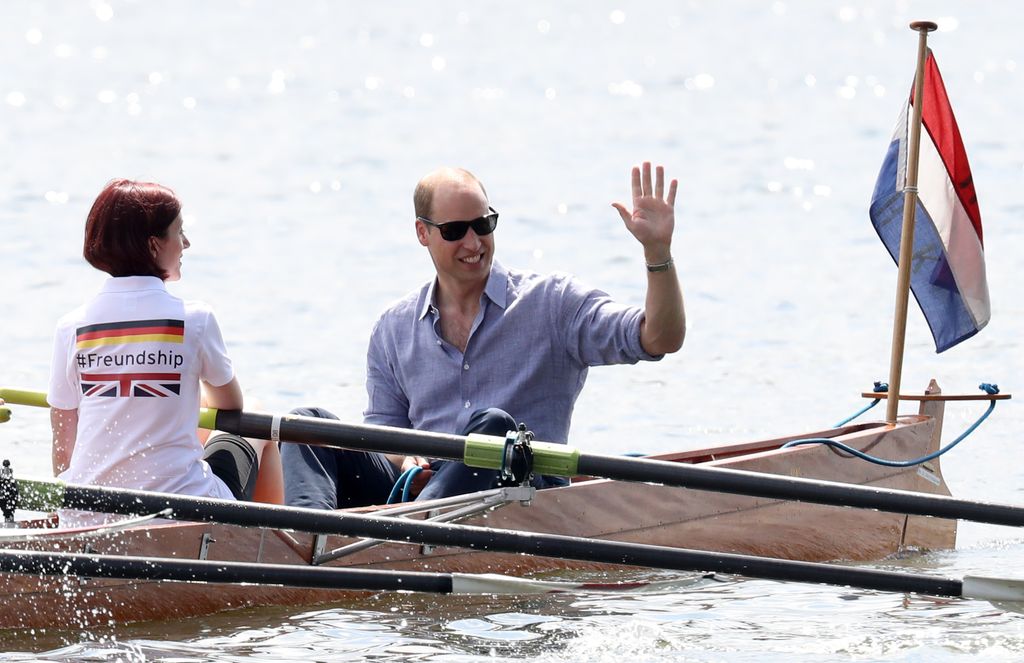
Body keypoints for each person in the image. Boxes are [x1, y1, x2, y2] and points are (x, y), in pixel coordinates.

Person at [282, 161, 685, 509]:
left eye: (483, 224)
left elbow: (659, 338)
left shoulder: (553, 302)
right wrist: (408, 465)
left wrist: (657, 254)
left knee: (493, 427)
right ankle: (306, 547)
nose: (474, 242)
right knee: (304, 424)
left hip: (524, 492)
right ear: (423, 233)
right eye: (456, 230)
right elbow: (384, 437)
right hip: (422, 494)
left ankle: (408, 538)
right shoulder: (393, 328)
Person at [48, 179, 283, 524]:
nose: (186, 243)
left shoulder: (71, 327)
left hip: (88, 514)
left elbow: (62, 446)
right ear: (154, 245)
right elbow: (231, 405)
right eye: (179, 232)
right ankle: (279, 549)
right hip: (183, 511)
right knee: (258, 419)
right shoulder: (195, 319)